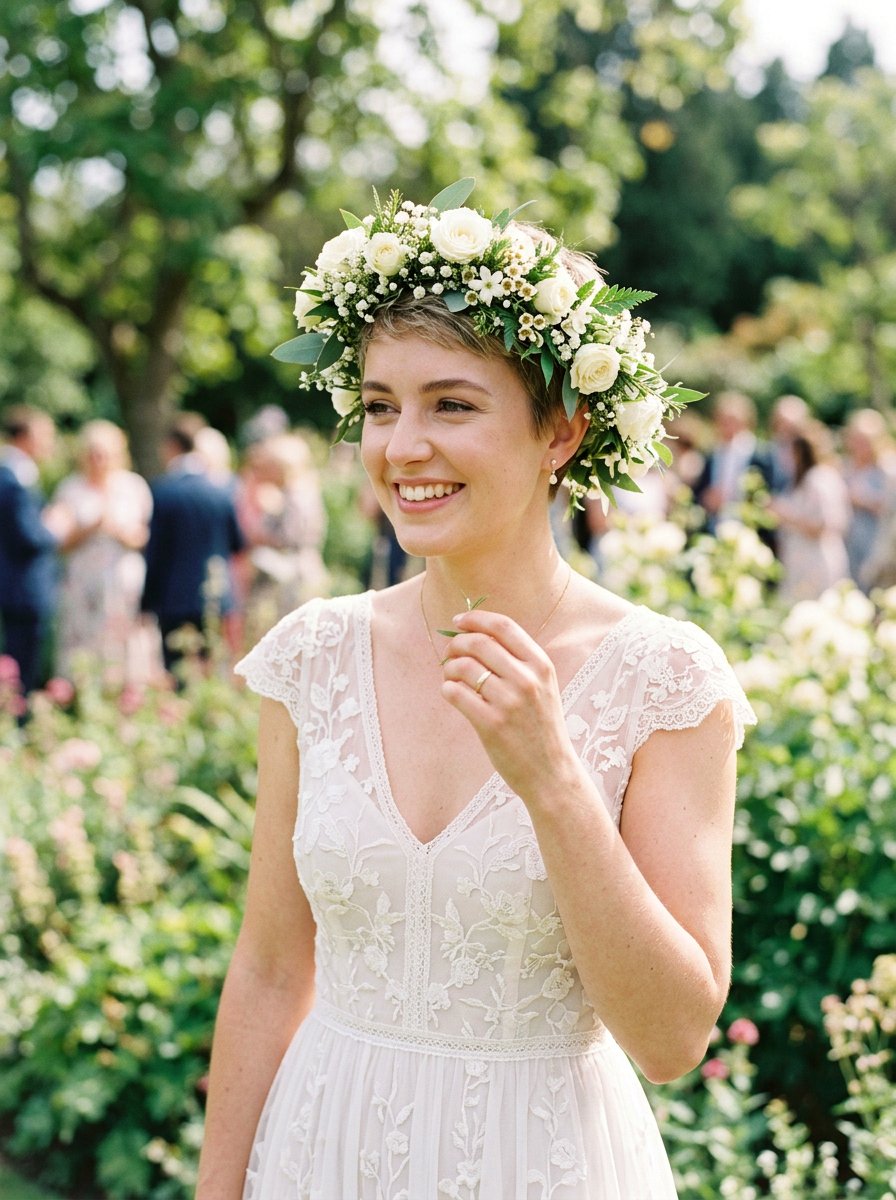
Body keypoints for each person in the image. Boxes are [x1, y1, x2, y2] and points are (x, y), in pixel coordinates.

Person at [196, 183, 756, 1199]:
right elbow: (274, 969)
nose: (401, 446)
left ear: (560, 433)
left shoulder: (664, 680)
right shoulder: (311, 657)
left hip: (539, 1165)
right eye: (377, 406)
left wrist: (550, 779)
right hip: (322, 1152)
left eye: (450, 404)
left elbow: (673, 1035)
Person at [52, 420, 157, 682]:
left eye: (104, 454)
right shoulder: (70, 488)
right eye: (93, 454)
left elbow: (146, 537)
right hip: (83, 580)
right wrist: (89, 527)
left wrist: (119, 531)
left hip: (122, 577)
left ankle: (128, 690)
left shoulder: (133, 486)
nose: (98, 460)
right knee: (83, 639)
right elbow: (59, 543)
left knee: (123, 635)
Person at [141, 416, 245, 675]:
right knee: (211, 672)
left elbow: (155, 554)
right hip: (216, 597)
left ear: (171, 446)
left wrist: (146, 603)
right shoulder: (220, 491)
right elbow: (237, 543)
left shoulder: (164, 492)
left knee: (178, 674)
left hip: (174, 599)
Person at [0, 406, 67, 695]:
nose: (49, 443)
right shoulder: (14, 479)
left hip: (17, 586)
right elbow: (27, 537)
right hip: (21, 588)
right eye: (44, 435)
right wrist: (54, 526)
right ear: (25, 436)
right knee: (22, 664)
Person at [768, 421, 851, 602]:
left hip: (814, 562)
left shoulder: (817, 481)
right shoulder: (812, 478)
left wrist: (785, 515)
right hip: (803, 559)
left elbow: (821, 527)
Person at [842, 408, 892, 587]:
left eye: (865, 441)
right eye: (856, 440)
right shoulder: (845, 467)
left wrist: (862, 500)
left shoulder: (888, 470)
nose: (859, 445)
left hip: (878, 548)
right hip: (848, 545)